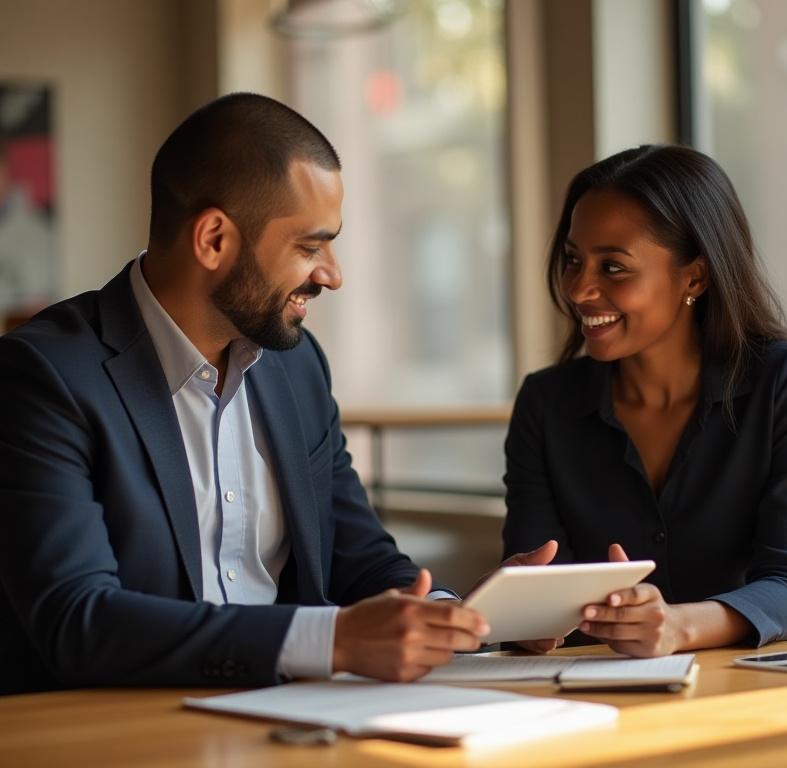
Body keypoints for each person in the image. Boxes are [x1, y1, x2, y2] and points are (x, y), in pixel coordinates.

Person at [0, 93, 508, 694]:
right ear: (214, 239)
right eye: (310, 247)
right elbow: (78, 620)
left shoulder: (298, 366)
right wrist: (331, 641)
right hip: (120, 727)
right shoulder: (41, 376)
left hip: (296, 721)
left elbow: (360, 559)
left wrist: (465, 619)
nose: (332, 275)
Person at [503, 144, 787, 657]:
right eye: (573, 260)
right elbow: (537, 594)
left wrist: (677, 627)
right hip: (596, 690)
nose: (579, 289)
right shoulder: (545, 404)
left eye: (613, 267)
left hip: (759, 685)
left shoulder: (783, 381)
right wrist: (528, 617)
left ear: (694, 277)